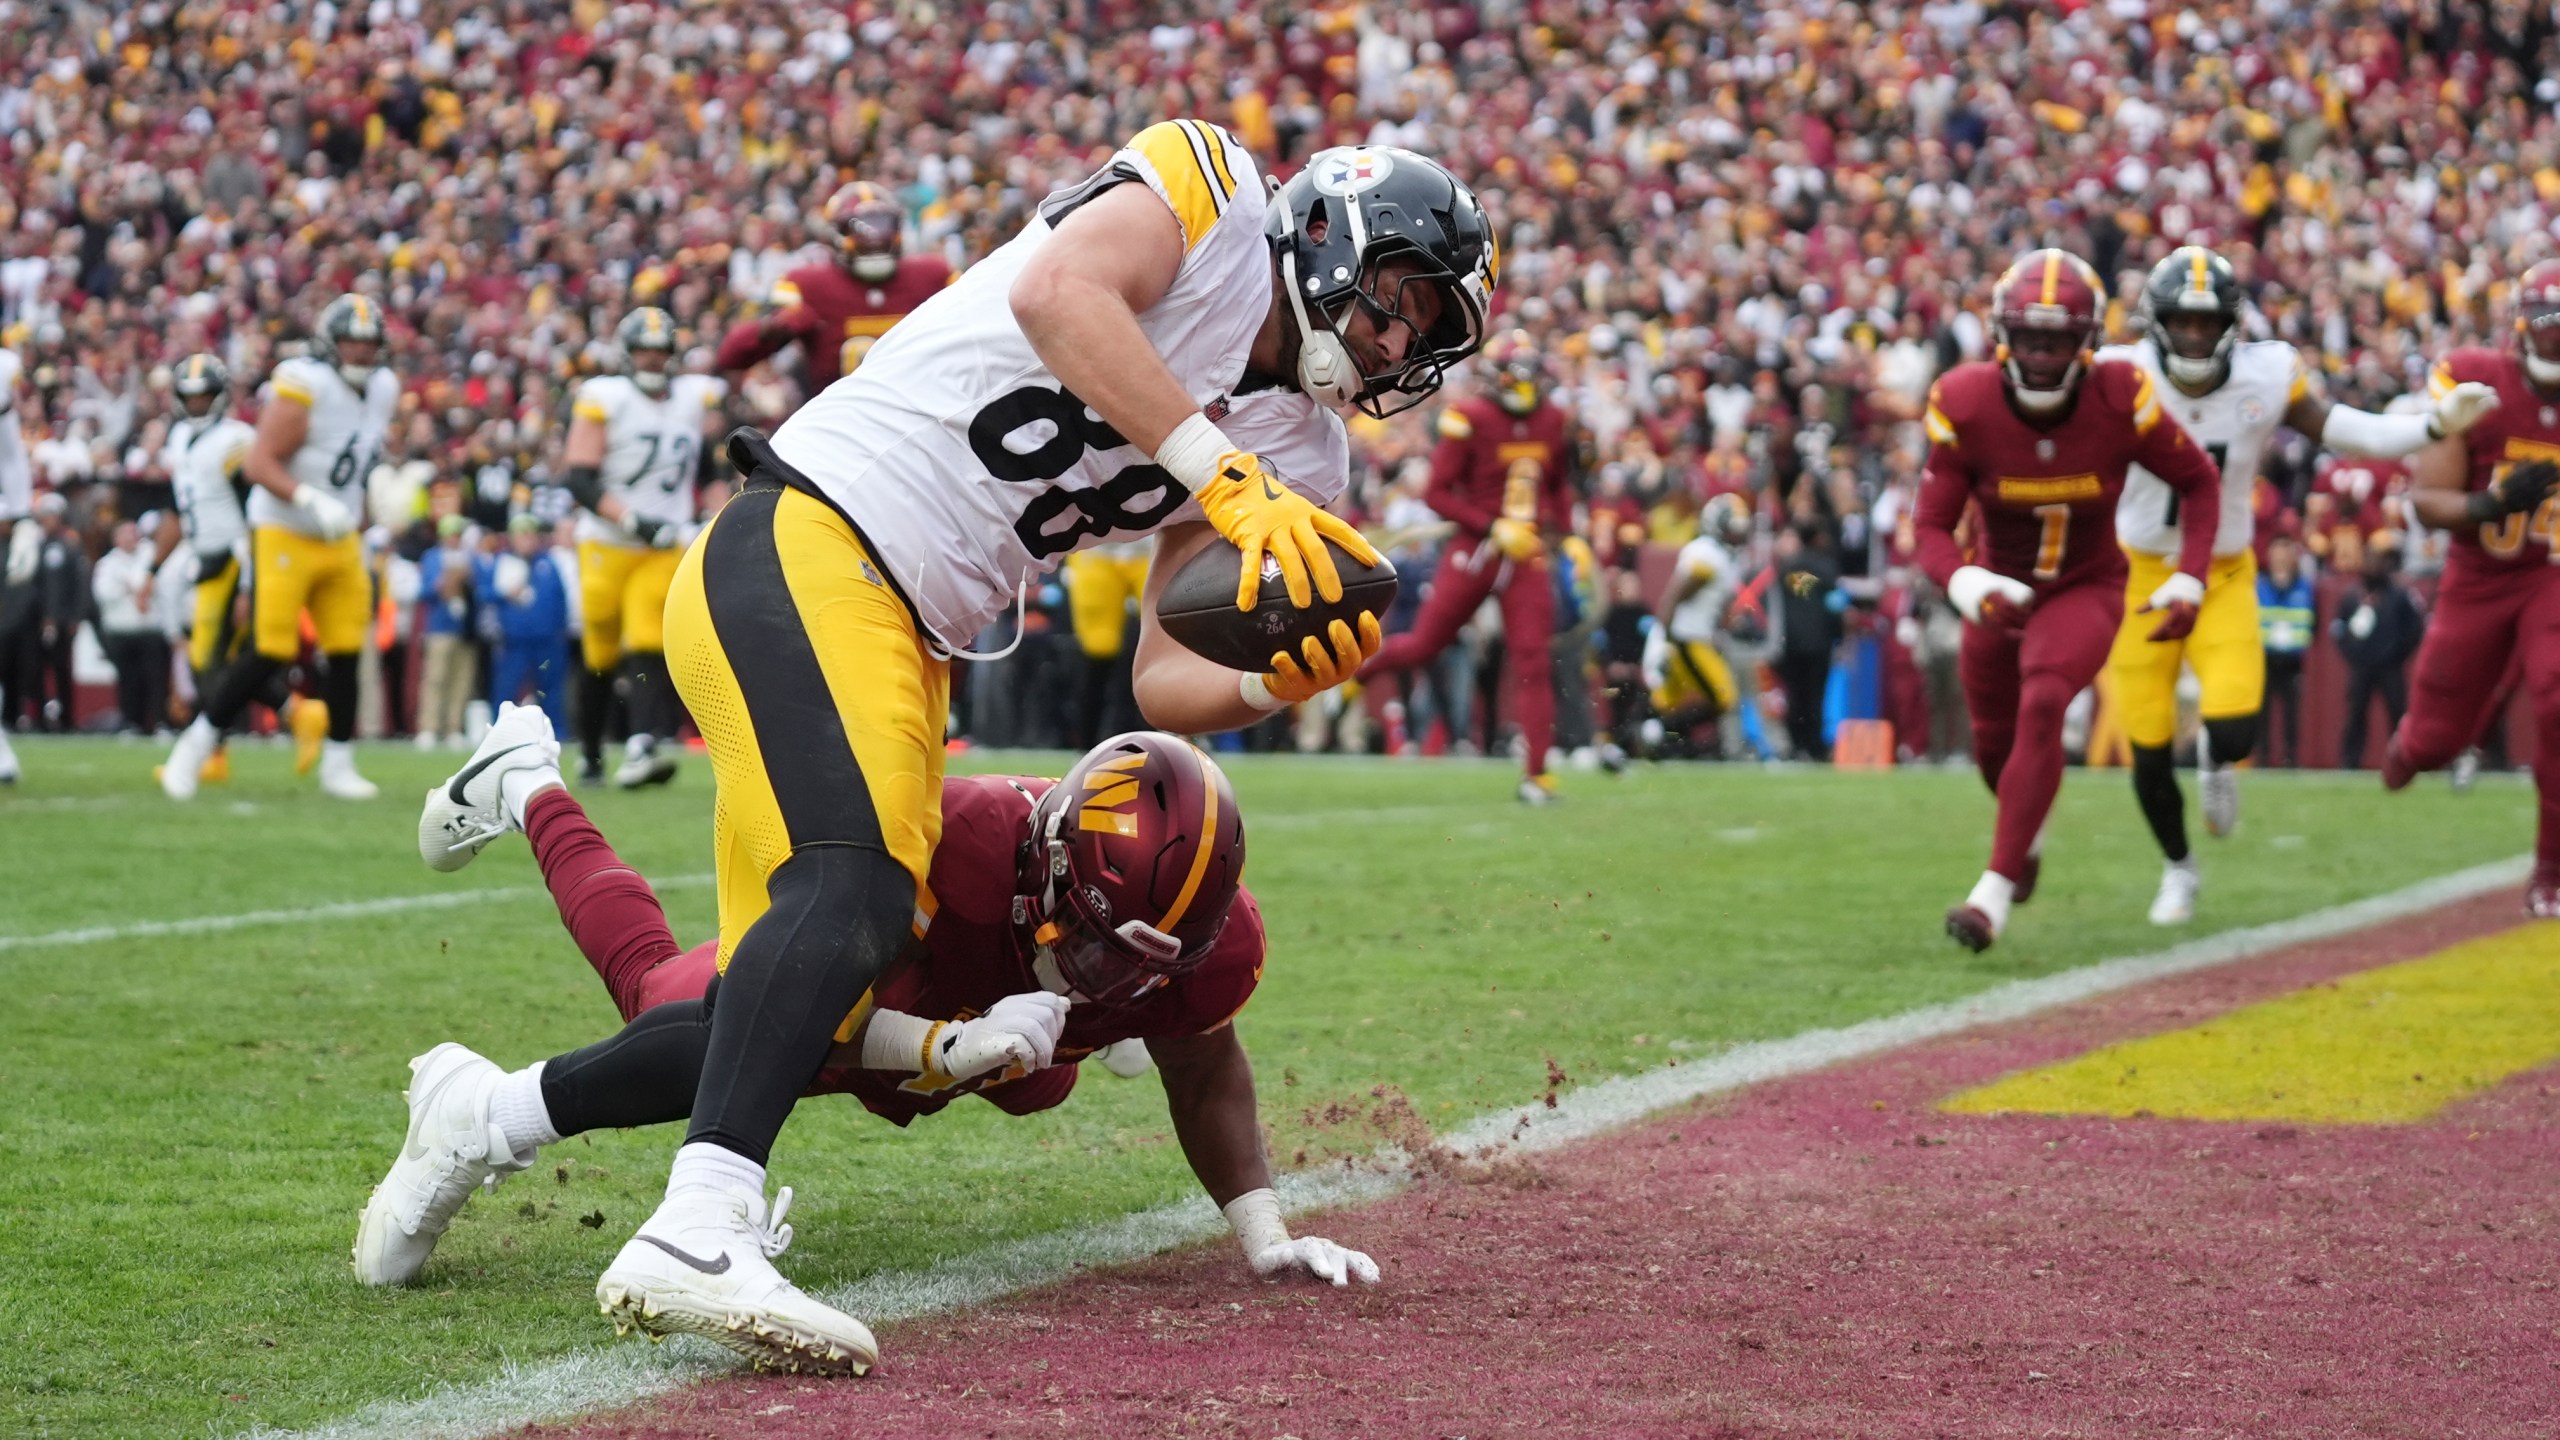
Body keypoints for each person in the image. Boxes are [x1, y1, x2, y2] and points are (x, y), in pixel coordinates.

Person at [563, 127, 1489, 1374]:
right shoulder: (1209, 191)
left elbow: (1162, 675)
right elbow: (1056, 295)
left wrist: (1272, 679)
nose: (1400, 350)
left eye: (1427, 335)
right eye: (1406, 308)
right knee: (855, 889)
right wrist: (1219, 480)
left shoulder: (1302, 450)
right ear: (1335, 241)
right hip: (816, 535)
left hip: (911, 625)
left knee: (805, 994)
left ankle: (477, 1117)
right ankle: (698, 1225)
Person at [370, 723, 1375, 1314]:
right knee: (690, 1014)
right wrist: (946, 1044)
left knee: (1042, 1069)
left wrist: (1263, 1234)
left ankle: (1049, 1049)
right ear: (1047, 871)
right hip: (872, 967)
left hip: (977, 991)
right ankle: (528, 782)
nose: (1106, 976)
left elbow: (1203, 1065)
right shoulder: (954, 840)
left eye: (1139, 961)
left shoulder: (1197, 938)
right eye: (1097, 947)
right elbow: (804, 1014)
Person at [2097, 247, 2498, 923]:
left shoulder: (2265, 374)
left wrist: (2430, 426)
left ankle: (2217, 766)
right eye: (2182, 321)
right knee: (2146, 744)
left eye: (2207, 322)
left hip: (2222, 572)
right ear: (2157, 322)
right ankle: (2179, 869)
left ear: (2230, 324)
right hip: (2139, 571)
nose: (2195, 335)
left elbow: (2346, 431)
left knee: (2236, 729)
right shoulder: (2117, 377)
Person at [1915, 249, 2222, 952]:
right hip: (1996, 590)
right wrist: (1968, 583)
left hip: (2087, 585)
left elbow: (2200, 482)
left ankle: (1990, 895)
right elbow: (1930, 525)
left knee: (2047, 698)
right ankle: (2023, 842)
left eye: (2057, 338)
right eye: (2029, 337)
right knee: (1994, 747)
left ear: (2087, 340)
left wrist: (2190, 575)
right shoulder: (1966, 401)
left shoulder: (2120, 395)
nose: (2043, 353)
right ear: (2002, 334)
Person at [161, 294, 394, 800]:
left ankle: (338, 762)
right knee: (268, 649)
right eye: (351, 343)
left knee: (347, 650)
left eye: (368, 344)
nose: (360, 354)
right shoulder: (305, 382)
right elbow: (260, 464)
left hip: (341, 535)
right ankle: (195, 747)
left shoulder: (385, 388)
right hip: (285, 528)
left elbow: (356, 460)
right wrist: (311, 499)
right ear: (330, 345)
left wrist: (364, 505)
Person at [2385, 258, 2560, 915]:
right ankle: (2412, 747)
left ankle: (2551, 870)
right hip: (2481, 574)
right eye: (2551, 324)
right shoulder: (2476, 381)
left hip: (2553, 572)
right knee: (2433, 741)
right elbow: (2429, 501)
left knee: (2557, 702)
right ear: (2522, 326)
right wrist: (2489, 504)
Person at [1357, 329, 1572, 803]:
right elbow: (1436, 494)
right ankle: (1352, 673)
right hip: (1476, 548)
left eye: (1531, 376)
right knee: (1422, 645)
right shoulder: (1470, 417)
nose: (1526, 386)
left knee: (1533, 658)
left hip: (1526, 551)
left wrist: (1566, 534)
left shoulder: (1553, 418)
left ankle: (1537, 773)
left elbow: (1557, 485)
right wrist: (1491, 526)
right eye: (1517, 376)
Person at [557, 307, 727, 787]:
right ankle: (590, 750)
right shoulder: (604, 396)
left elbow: (706, 472)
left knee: (650, 637)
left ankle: (642, 744)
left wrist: (722, 515)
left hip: (664, 542)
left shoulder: (694, 398)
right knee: (600, 653)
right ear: (628, 355)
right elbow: (579, 476)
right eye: (644, 351)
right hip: (607, 543)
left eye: (660, 350)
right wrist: (631, 519)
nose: (652, 359)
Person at [715, 182, 954, 403]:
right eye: (862, 229)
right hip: (838, 424)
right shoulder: (809, 284)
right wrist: (774, 327)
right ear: (837, 233)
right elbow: (729, 357)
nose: (875, 239)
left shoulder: (933, 275)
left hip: (921, 414)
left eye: (883, 225)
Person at [162, 353, 257, 774]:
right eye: (190, 397)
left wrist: (249, 582)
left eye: (205, 397)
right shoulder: (179, 438)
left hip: (235, 555)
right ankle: (299, 715)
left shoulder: (235, 439)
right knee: (220, 659)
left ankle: (213, 749)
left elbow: (254, 511)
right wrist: (152, 568)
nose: (197, 404)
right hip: (201, 555)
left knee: (209, 655)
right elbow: (177, 507)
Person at [1646, 492, 1749, 757]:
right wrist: (1664, 639)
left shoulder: (1723, 557)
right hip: (1685, 637)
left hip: (1693, 636)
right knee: (1721, 696)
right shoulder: (1707, 554)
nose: (1736, 535)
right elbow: (1673, 596)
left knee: (1670, 702)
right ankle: (1656, 734)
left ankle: (1662, 742)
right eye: (1731, 529)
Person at [481, 513, 572, 733]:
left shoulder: (548, 562)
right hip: (514, 640)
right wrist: (504, 594)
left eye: (529, 535)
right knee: (506, 690)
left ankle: (555, 733)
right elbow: (484, 593)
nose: (526, 540)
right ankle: (498, 732)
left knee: (551, 690)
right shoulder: (503, 561)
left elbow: (560, 599)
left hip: (547, 639)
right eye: (521, 535)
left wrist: (560, 631)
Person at [2334, 542, 2423, 769]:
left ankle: (2404, 758)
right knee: (2355, 714)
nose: (2373, 566)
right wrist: (2352, 654)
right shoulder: (2352, 596)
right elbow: (2338, 629)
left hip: (2390, 667)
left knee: (2397, 713)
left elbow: (2415, 627)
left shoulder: (2400, 595)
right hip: (2361, 666)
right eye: (2369, 561)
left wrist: (2397, 653)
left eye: (2377, 561)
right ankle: (2350, 761)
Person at [92, 517, 169, 733]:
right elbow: (105, 593)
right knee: (128, 680)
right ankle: (131, 723)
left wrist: (131, 585)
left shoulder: (151, 555)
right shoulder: (107, 563)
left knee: (156, 680)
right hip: (121, 631)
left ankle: (160, 723)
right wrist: (135, 587)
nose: (130, 538)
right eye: (124, 533)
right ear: (115, 538)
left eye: (133, 532)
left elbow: (159, 585)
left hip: (150, 629)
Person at [413, 514, 478, 748]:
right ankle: (429, 727)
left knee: (461, 680)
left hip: (464, 628)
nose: (455, 539)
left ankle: (454, 727)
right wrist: (440, 584)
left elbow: (478, 590)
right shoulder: (432, 557)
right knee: (435, 679)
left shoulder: (470, 558)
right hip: (439, 627)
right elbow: (423, 591)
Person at [2256, 532, 2317, 768]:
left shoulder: (2304, 586)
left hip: (2293, 659)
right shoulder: (2260, 583)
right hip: (2265, 656)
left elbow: (2314, 620)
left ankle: (2290, 758)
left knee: (2292, 712)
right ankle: (2262, 758)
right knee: (2263, 712)